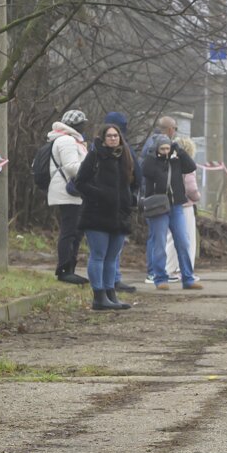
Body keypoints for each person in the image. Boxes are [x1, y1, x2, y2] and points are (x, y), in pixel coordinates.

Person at [75, 120, 138, 311]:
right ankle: (99, 296)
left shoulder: (125, 156)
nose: (113, 139)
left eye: (116, 135)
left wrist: (130, 200)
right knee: (98, 255)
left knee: (112, 257)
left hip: (120, 215)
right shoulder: (95, 156)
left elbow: (134, 181)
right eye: (109, 136)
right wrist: (100, 195)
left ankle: (111, 294)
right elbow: (80, 182)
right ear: (103, 139)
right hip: (97, 214)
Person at [140, 133, 201, 290]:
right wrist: (154, 155)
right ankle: (160, 278)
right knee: (159, 243)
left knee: (183, 242)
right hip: (158, 206)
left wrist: (179, 150)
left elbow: (191, 166)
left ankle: (188, 277)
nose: (166, 152)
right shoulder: (151, 161)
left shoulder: (176, 161)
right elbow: (146, 171)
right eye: (163, 149)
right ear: (157, 149)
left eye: (168, 148)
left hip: (176, 206)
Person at [46, 111, 90, 285]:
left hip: (71, 192)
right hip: (67, 192)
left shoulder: (71, 139)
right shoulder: (67, 140)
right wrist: (92, 166)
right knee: (69, 231)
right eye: (83, 123)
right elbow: (72, 167)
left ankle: (70, 269)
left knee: (75, 232)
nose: (85, 126)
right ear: (76, 125)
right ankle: (64, 270)